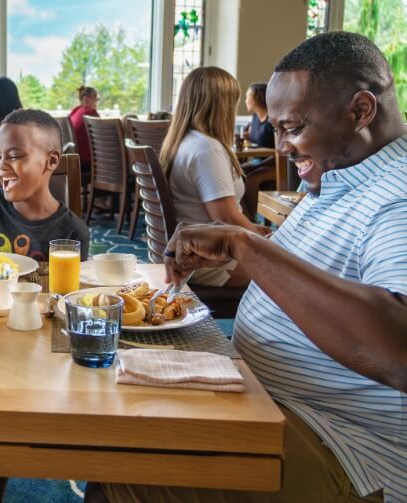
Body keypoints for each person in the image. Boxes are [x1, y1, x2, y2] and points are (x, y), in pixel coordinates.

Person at [86, 31, 406, 503]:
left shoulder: (397, 197)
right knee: (114, 416)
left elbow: (399, 348)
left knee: (127, 462)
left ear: (360, 110)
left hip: (341, 443)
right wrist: (241, 247)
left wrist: (246, 245)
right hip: (271, 399)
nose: (281, 148)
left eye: (293, 128)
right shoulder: (342, 176)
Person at [159, 66, 270, 287]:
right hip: (210, 261)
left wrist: (255, 229)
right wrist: (262, 239)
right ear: (222, 105)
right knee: (296, 275)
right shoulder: (206, 149)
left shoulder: (184, 141)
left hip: (196, 250)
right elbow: (225, 218)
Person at [0, 109, 90, 261]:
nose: (1, 165)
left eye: (14, 156)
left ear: (52, 161)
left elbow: (70, 284)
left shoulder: (73, 231)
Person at [68, 85, 100, 171]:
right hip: (86, 161)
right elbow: (102, 138)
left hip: (74, 159)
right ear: (88, 99)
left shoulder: (75, 111)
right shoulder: (91, 112)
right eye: (96, 98)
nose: (97, 101)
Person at [243, 82, 275, 148]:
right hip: (255, 156)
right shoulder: (255, 117)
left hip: (268, 158)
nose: (245, 101)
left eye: (247, 97)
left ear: (257, 98)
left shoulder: (273, 121)